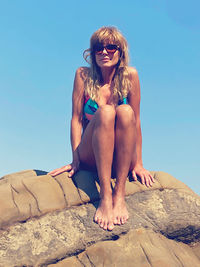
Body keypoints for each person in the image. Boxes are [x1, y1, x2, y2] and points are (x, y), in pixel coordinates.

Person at [49, 26, 155, 231]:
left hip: (122, 155)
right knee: (106, 112)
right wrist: (75, 158)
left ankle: (120, 194)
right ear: (92, 51)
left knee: (125, 111)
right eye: (99, 48)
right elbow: (76, 119)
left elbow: (137, 121)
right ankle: (106, 196)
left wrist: (139, 163)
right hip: (93, 154)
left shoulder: (130, 76)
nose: (104, 52)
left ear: (120, 51)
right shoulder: (83, 75)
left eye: (110, 47)